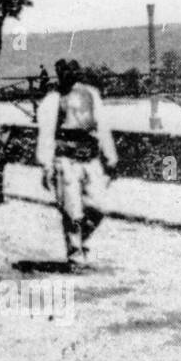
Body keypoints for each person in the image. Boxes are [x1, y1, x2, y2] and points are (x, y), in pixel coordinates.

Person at [36, 59, 117, 268]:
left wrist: (110, 157)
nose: (69, 76)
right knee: (72, 212)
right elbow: (46, 134)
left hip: (90, 160)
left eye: (73, 72)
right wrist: (46, 165)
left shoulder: (91, 95)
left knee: (98, 207)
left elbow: (103, 126)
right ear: (59, 75)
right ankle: (75, 256)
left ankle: (80, 240)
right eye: (64, 73)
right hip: (66, 160)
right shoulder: (53, 100)